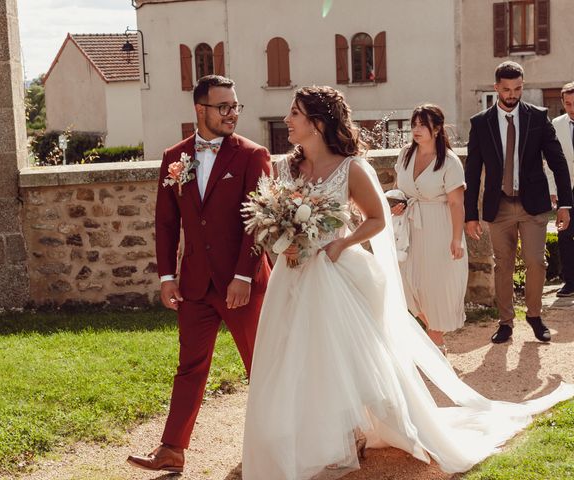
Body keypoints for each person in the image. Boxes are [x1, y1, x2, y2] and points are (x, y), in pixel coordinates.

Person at [241, 85, 574, 480]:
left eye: (294, 114)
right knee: (293, 352)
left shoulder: (351, 168)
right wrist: (285, 241)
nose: (287, 120)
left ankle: (349, 431)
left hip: (335, 271)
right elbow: (277, 217)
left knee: (339, 354)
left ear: (317, 122)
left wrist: (341, 243)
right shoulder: (289, 168)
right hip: (293, 274)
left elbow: (376, 220)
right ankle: (302, 432)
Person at [127, 75, 271, 473]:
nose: (232, 114)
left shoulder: (252, 155)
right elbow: (166, 223)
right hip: (193, 284)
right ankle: (172, 449)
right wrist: (166, 276)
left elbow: (258, 222)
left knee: (260, 365)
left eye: (235, 106)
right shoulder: (175, 157)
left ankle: (276, 445)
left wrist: (243, 277)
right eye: (223, 107)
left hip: (243, 284)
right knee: (189, 366)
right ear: (200, 110)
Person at [464, 61, 573, 344]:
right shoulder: (480, 123)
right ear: (497, 87)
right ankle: (506, 323)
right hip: (498, 206)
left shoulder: (538, 117)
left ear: (522, 86)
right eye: (507, 89)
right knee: (503, 265)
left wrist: (565, 204)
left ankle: (535, 316)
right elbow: (472, 171)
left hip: (533, 204)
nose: (512, 94)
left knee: (536, 262)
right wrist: (470, 214)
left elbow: (558, 162)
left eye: (518, 88)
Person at [391, 105, 468, 354]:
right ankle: (433, 337)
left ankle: (435, 342)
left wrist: (456, 239)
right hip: (408, 227)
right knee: (406, 283)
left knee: (433, 287)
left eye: (422, 124)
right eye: (414, 124)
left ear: (436, 128)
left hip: (439, 228)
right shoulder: (405, 154)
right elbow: (398, 188)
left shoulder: (450, 161)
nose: (416, 129)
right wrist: (398, 203)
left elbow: (457, 203)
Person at [546, 82, 574, 297]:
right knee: (565, 235)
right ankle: (570, 282)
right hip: (567, 189)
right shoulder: (556, 124)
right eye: (568, 104)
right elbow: (549, 161)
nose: (572, 108)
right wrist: (553, 189)